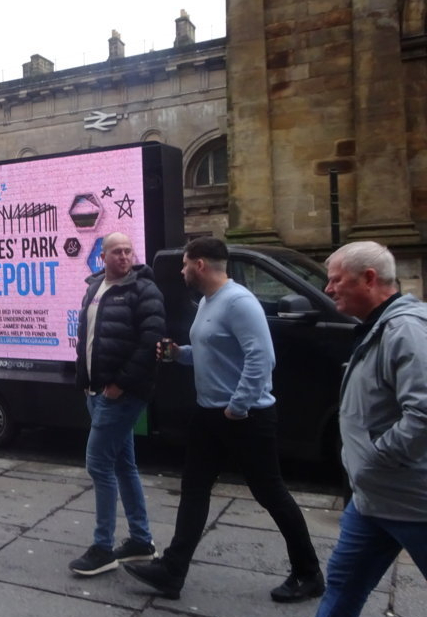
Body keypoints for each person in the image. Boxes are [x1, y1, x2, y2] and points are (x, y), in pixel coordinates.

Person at [124, 237, 323, 602]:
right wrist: (177, 353)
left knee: (270, 492)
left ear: (200, 264)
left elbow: (262, 359)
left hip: (245, 417)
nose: (182, 271)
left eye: (185, 264)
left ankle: (309, 573)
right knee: (194, 489)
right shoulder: (207, 303)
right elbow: (206, 352)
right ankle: (172, 571)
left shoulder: (240, 302)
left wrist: (239, 406)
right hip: (209, 414)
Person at [314, 242, 427, 617]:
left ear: (369, 278)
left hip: (412, 502)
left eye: (335, 280)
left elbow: (424, 413)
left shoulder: (406, 330)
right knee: (342, 589)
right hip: (372, 501)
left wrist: (378, 458)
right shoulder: (377, 326)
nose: (328, 289)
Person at [68, 232, 165, 576]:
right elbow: (88, 339)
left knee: (98, 465)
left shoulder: (143, 290)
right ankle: (141, 541)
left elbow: (150, 341)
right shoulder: (95, 287)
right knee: (124, 465)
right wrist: (85, 382)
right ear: (103, 256)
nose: (124, 256)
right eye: (117, 251)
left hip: (121, 395)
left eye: (128, 251)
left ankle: (103, 547)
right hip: (96, 392)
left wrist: (119, 385)